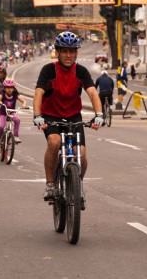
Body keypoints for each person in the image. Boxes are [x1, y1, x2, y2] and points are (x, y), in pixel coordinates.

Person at [33, 31, 103, 203]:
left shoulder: (81, 71)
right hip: (51, 116)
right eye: (64, 51)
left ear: (76, 53)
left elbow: (93, 92)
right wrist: (37, 116)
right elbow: (38, 93)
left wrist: (99, 114)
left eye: (72, 51)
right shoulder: (49, 70)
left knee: (82, 154)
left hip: (73, 116)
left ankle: (76, 184)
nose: (68, 55)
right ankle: (50, 184)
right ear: (57, 52)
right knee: (54, 142)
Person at [0, 79, 27, 147]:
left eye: (11, 87)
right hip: (3, 112)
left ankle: (16, 136)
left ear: (13, 88)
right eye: (7, 88)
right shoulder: (3, 93)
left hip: (12, 112)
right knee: (1, 126)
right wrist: (0, 102)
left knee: (17, 120)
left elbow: (24, 100)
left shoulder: (15, 94)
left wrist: (24, 104)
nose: (9, 89)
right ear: (4, 88)